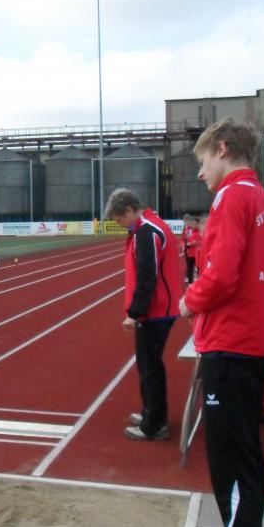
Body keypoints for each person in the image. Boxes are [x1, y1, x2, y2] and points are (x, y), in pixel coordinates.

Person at [180, 118, 264, 527]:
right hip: (253, 343)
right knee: (242, 454)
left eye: (203, 161)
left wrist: (190, 301)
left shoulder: (231, 197)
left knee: (232, 460)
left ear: (222, 149)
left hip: (229, 344)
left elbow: (220, 276)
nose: (200, 172)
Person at [105, 188, 182, 441]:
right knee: (149, 365)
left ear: (129, 210)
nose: (120, 224)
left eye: (119, 219)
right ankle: (151, 413)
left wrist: (134, 313)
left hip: (155, 312)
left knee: (150, 368)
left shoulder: (146, 232)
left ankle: (154, 424)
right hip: (158, 310)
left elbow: (147, 277)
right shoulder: (147, 227)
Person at [184, 216, 201, 284]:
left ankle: (199, 283)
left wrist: (197, 243)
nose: (194, 225)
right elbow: (185, 242)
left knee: (198, 270)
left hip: (198, 255)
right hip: (190, 254)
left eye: (196, 224)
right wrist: (189, 244)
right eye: (193, 224)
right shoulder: (188, 232)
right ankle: (190, 284)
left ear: (198, 224)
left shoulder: (201, 232)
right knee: (190, 269)